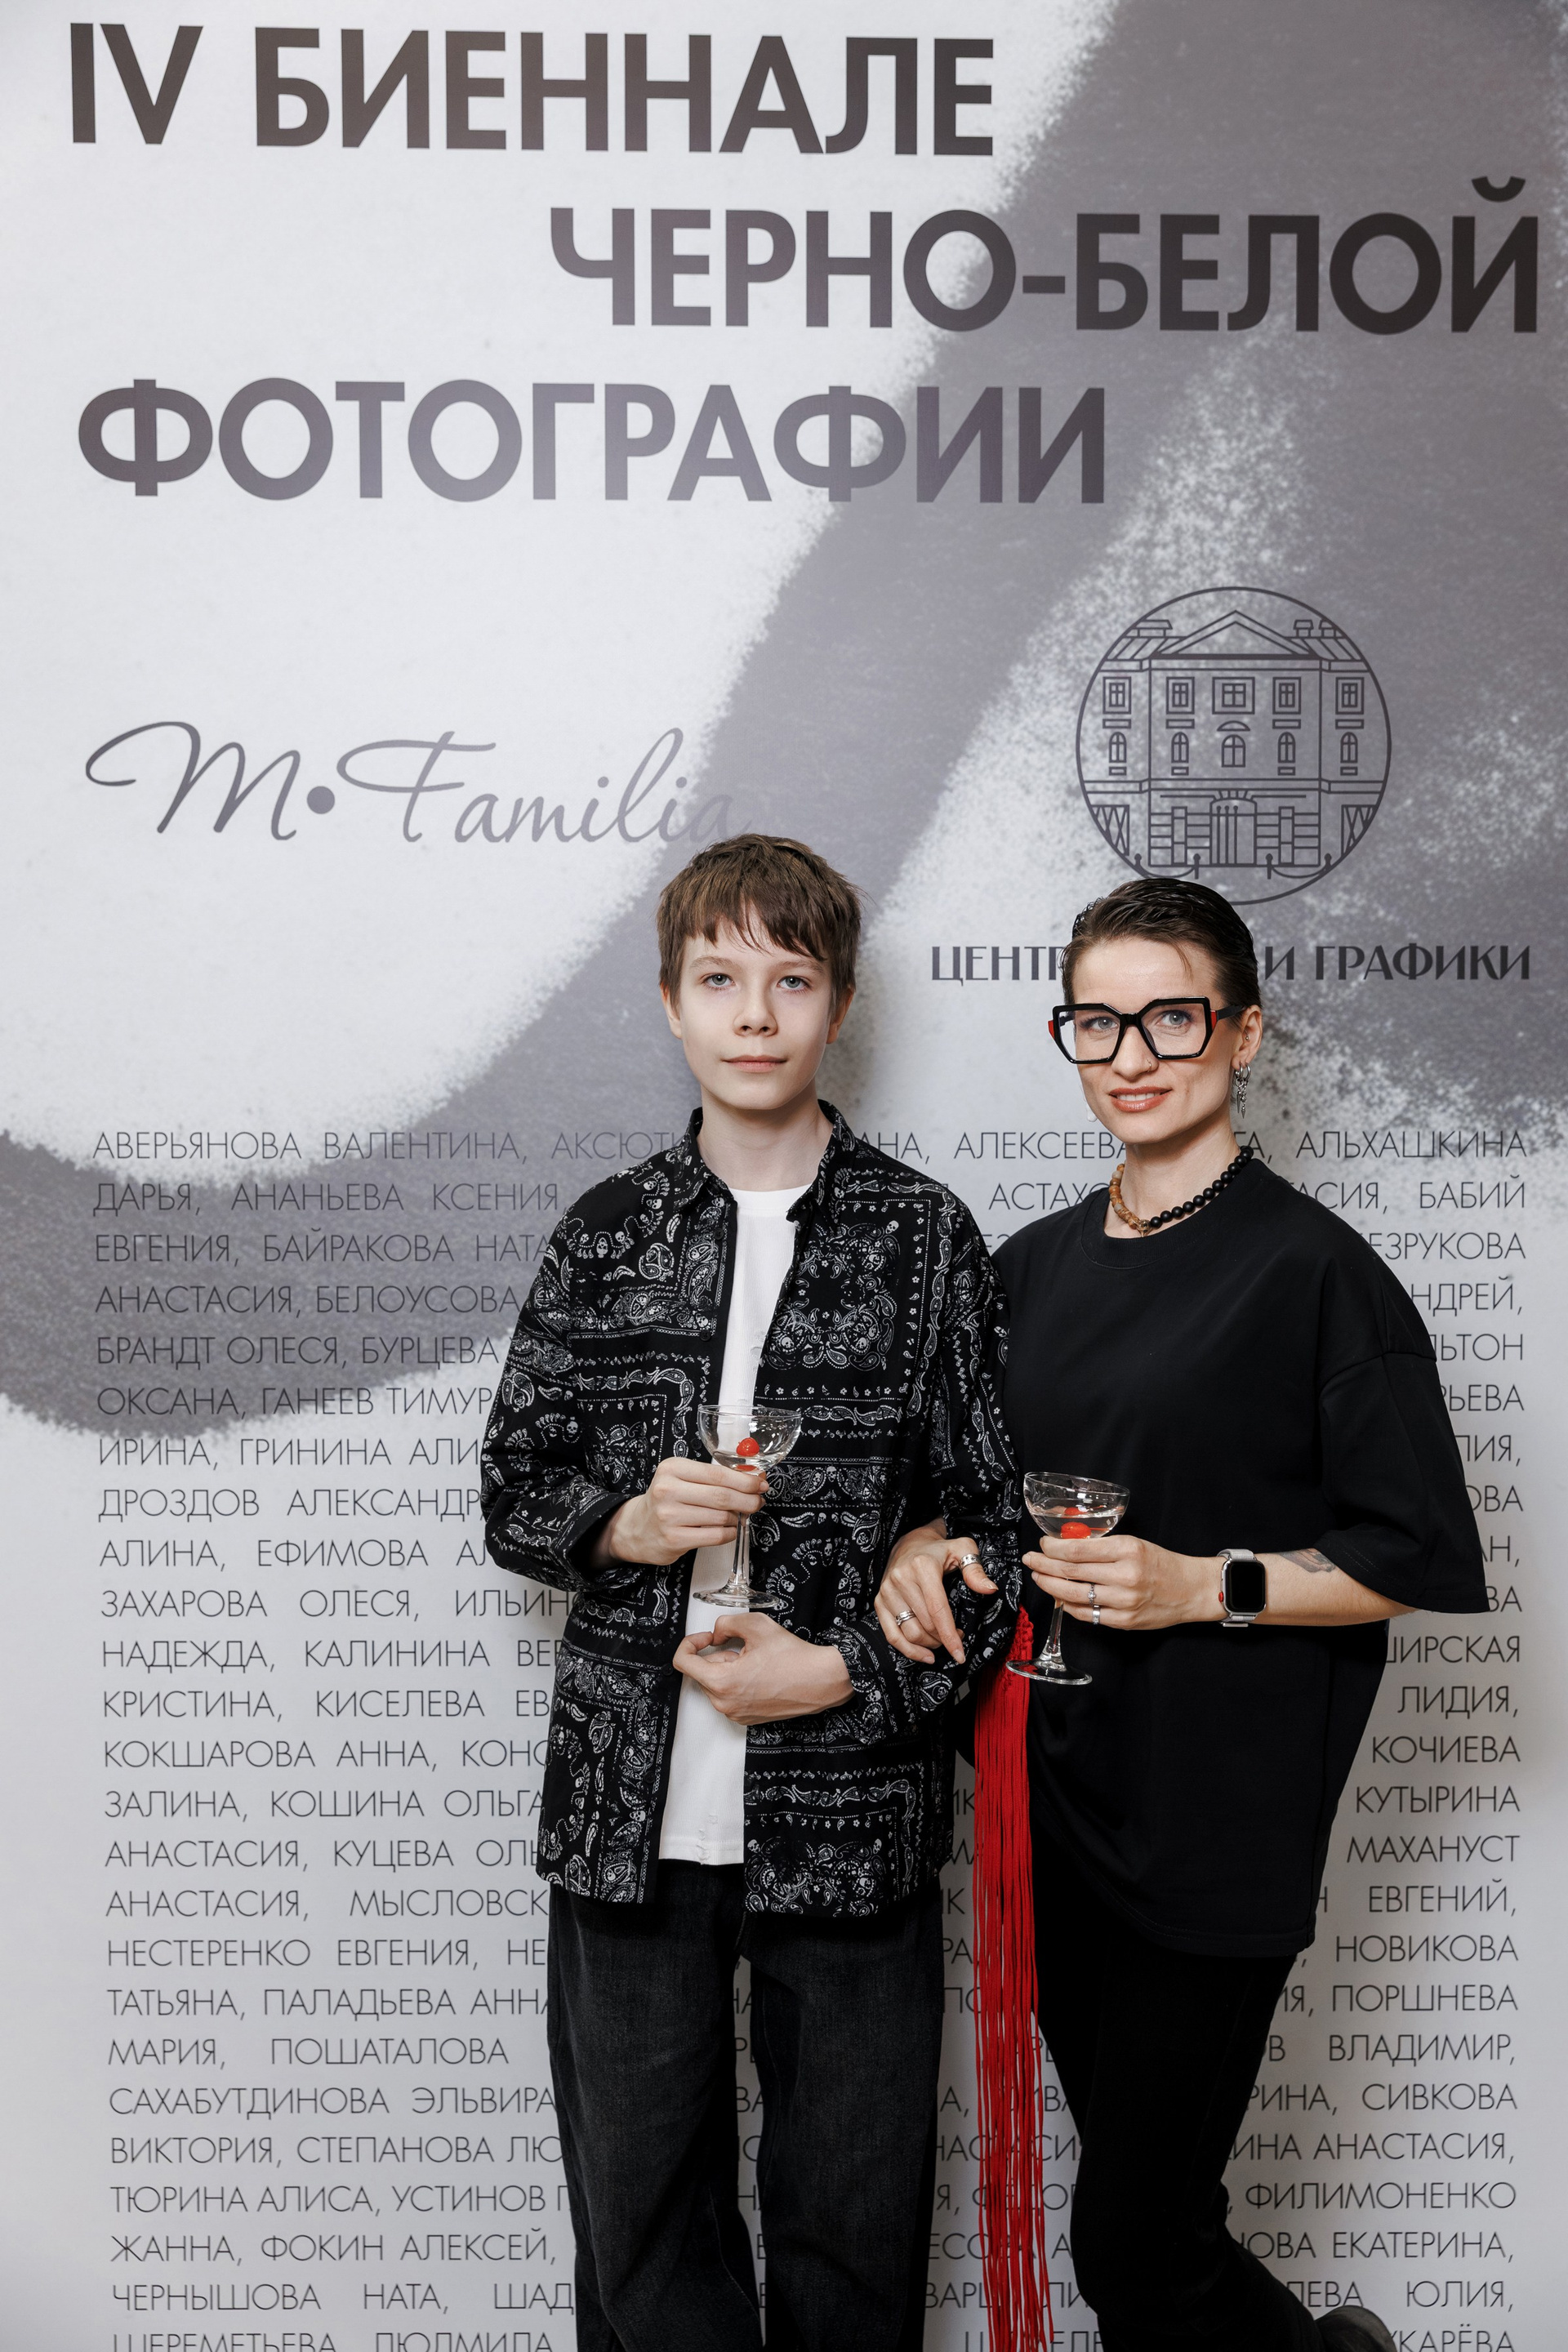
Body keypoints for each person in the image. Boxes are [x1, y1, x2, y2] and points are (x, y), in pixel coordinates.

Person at [875, 876, 1488, 2352]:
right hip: (1051, 1804)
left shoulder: (1318, 1273)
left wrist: (1203, 1584)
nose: (1131, 1054)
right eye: (1097, 1021)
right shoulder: (1025, 1269)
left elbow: (1414, 1554)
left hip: (1218, 1818)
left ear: (1243, 1032)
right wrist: (918, 1545)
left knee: (1135, 2250)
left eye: (1170, 1017)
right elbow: (964, 1497)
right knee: (1162, 2233)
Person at [480, 834, 1021, 2352]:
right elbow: (513, 1490)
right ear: (672, 1002)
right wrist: (628, 1522)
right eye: (720, 980)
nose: (756, 1015)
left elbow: (1000, 1534)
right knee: (640, 2234)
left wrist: (846, 1671)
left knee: (855, 2232)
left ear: (837, 1002)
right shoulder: (606, 1233)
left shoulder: (926, 1239)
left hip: (852, 1809)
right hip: (625, 1811)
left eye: (791, 979)